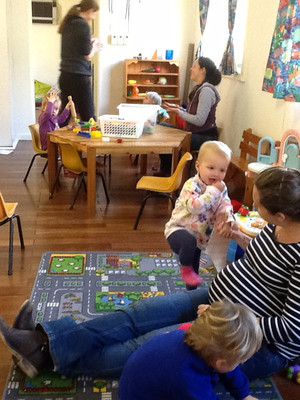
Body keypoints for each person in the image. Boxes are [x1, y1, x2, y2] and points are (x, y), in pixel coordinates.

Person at [0, 167, 299, 382]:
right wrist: (238, 235)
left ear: (282, 213)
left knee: (145, 348)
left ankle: (46, 356)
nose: (254, 207)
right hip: (220, 300)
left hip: (242, 337)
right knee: (136, 313)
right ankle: (45, 339)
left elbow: (291, 328)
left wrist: (227, 319)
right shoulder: (278, 226)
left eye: (258, 205)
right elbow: (265, 257)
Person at [119, 301, 262, 400]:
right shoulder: (190, 381)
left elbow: (230, 369)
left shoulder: (195, 336)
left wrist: (244, 394)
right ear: (220, 363)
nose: (238, 365)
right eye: (239, 362)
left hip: (150, 378)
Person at [165, 140, 234, 288]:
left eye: (222, 170)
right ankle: (185, 270)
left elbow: (225, 204)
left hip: (200, 237)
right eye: (211, 168)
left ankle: (191, 292)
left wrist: (227, 220)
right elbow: (196, 206)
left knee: (194, 264)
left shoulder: (221, 188)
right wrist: (214, 191)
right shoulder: (191, 185)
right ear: (198, 166)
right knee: (189, 243)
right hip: (177, 230)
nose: (216, 173)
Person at [157, 56, 222, 176]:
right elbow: (194, 112)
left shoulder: (206, 91)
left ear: (203, 70)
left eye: (194, 66)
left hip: (204, 137)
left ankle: (170, 175)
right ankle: (168, 172)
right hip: (195, 133)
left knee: (167, 139)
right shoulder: (201, 88)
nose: (191, 69)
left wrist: (179, 112)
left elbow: (199, 120)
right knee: (163, 127)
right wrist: (178, 108)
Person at [58, 0, 101, 122]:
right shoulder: (83, 25)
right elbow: (87, 55)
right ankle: (91, 141)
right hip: (79, 76)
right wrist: (95, 46)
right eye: (95, 14)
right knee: (88, 115)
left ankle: (56, 141)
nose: (94, 18)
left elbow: (77, 48)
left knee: (64, 115)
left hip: (65, 75)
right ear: (90, 11)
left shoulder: (68, 23)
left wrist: (90, 42)